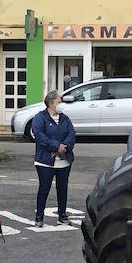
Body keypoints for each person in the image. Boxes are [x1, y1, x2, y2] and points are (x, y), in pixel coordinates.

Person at [33, 90, 76, 227]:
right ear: (51, 104)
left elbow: (71, 134)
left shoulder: (65, 118)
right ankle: (39, 217)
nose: (61, 104)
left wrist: (65, 147)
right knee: (44, 188)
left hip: (64, 160)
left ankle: (62, 215)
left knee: (62, 188)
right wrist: (57, 146)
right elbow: (40, 136)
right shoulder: (40, 118)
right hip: (45, 161)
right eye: (59, 101)